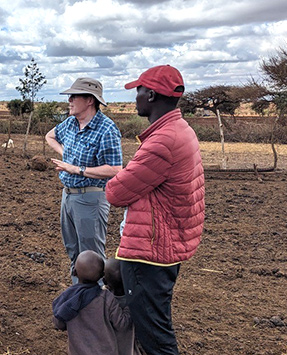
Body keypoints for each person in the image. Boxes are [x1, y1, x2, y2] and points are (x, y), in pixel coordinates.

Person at [106, 65, 205, 355]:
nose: (134, 96)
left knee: (155, 335)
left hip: (152, 251)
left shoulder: (162, 141)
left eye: (138, 90)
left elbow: (116, 192)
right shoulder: (179, 130)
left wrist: (121, 178)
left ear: (150, 94)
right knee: (151, 322)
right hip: (167, 241)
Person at [45, 77, 123, 284]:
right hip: (68, 196)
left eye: (74, 96)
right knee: (74, 252)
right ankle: (78, 296)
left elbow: (115, 169)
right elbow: (49, 136)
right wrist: (67, 155)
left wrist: (76, 169)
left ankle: (95, 306)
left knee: (92, 257)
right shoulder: (70, 123)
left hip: (91, 198)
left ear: (90, 100)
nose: (69, 100)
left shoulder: (106, 129)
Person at [52, 250, 137, 355]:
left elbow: (58, 322)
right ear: (102, 277)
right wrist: (131, 303)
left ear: (74, 272)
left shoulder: (68, 297)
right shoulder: (106, 299)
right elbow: (122, 324)